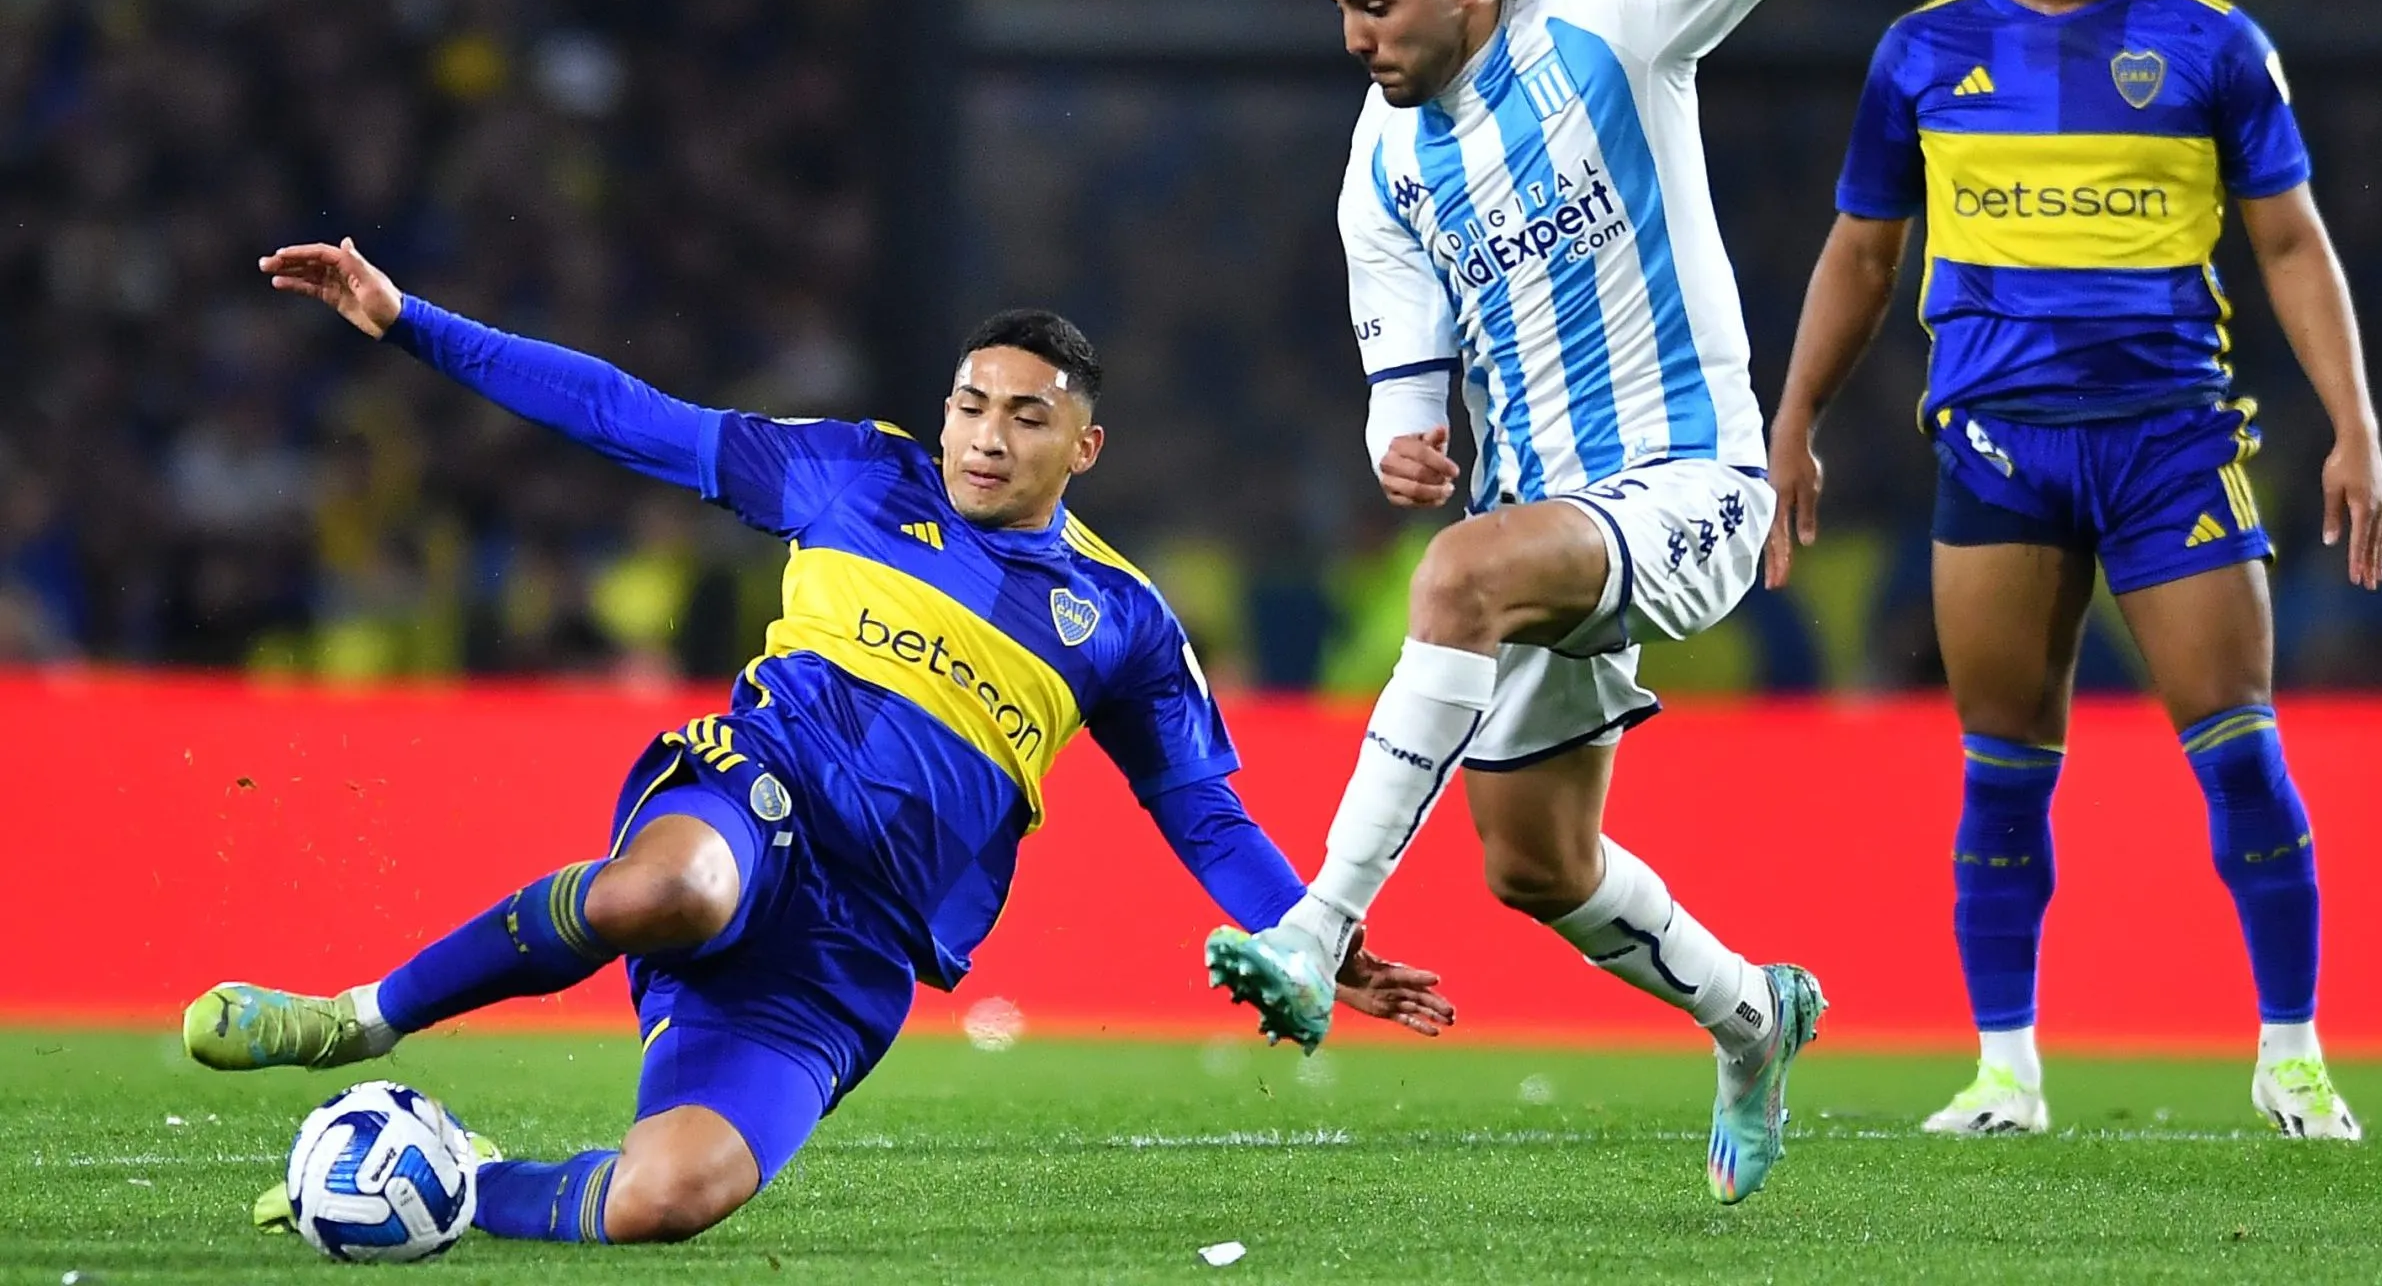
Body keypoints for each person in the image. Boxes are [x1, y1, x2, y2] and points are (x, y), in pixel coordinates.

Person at [183, 238, 1456, 1244]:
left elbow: (1204, 813)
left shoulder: (1122, 621)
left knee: (668, 1198)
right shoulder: (856, 475)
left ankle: (428, 1192)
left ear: (1085, 445)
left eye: (1023, 416)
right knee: (672, 888)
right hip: (762, 795)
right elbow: (628, 414)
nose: (984, 436)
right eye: (968, 405)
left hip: (865, 939)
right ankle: (360, 1019)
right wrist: (411, 323)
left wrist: (1315, 934)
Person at [1204, 0, 1941, 1205]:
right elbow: (1403, 381)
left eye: (1376, 4)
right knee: (1537, 867)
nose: (1356, 37)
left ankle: (1318, 925)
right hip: (1543, 527)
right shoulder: (1383, 162)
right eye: (1340, 7)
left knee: (1461, 573)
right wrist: (1401, 447)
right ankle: (1754, 1019)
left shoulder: (1616, 18)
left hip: (1693, 486)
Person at [1762, 0, 2382, 1140]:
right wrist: (1795, 419)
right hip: (1998, 450)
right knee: (2001, 773)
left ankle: (2292, 1053)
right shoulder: (1922, 52)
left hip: (2171, 442)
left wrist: (2355, 424)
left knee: (2243, 755)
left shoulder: (2212, 44)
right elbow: (1864, 253)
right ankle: (2004, 1071)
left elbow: (2288, 239)